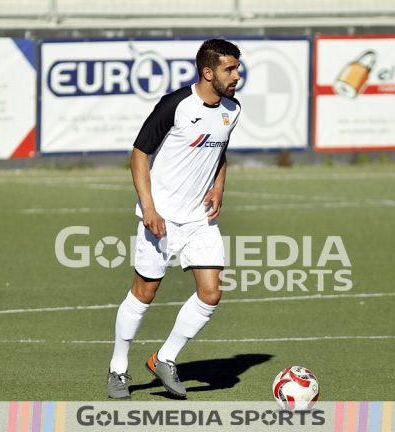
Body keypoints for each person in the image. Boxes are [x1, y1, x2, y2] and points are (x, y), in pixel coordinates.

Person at [107, 39, 242, 399]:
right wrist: (149, 208)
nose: (237, 75)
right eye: (230, 69)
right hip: (161, 217)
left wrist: (218, 187)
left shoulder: (233, 108)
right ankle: (118, 368)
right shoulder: (176, 105)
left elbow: (220, 151)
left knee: (211, 293)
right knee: (145, 292)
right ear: (208, 72)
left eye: (237, 68)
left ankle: (165, 358)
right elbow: (139, 155)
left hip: (200, 219)